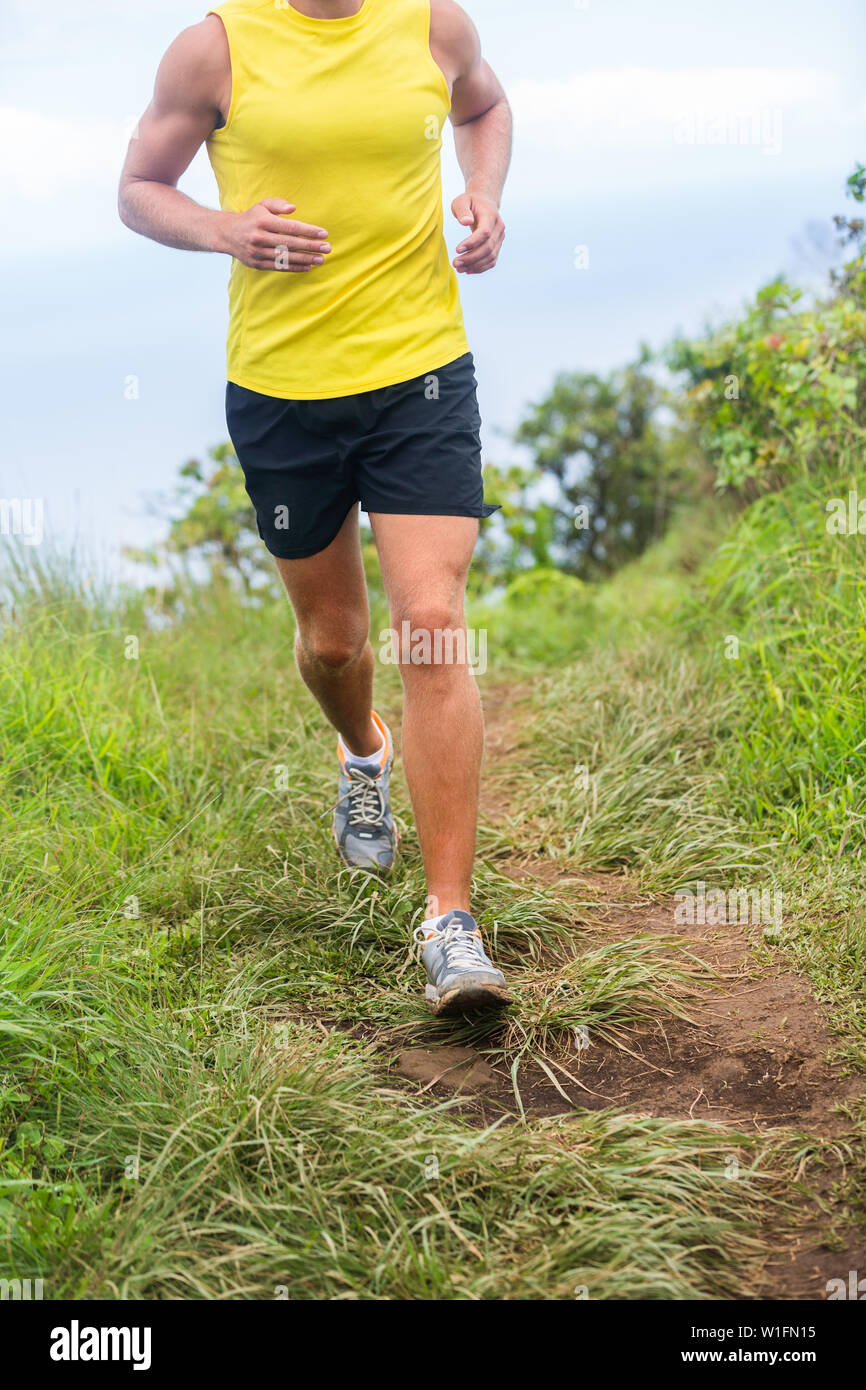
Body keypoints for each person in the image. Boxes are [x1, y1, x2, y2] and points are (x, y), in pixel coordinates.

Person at [118, 0, 513, 1016]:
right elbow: (137, 189)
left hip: (420, 376)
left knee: (430, 620)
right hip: (283, 390)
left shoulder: (430, 24)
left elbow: (486, 105)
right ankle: (362, 748)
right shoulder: (215, 45)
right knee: (333, 641)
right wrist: (222, 228)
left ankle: (449, 922)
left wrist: (479, 190)